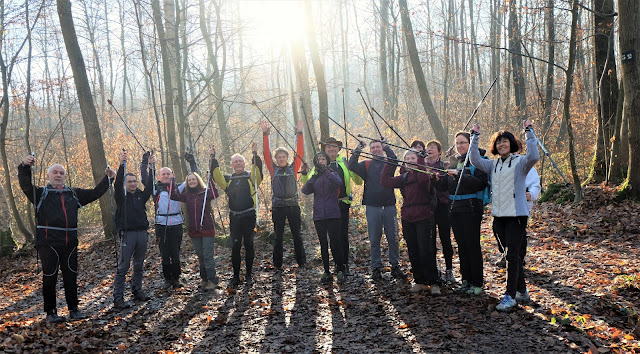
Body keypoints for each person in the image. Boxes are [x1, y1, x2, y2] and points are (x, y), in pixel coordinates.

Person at [18, 155, 115, 322]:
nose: (58, 175)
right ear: (48, 176)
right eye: (54, 172)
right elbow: (25, 185)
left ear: (65, 176)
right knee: (50, 277)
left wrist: (109, 179)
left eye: (61, 173)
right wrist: (24, 167)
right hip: (48, 244)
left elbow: (95, 193)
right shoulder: (40, 193)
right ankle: (51, 312)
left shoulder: (73, 194)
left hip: (69, 243)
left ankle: (74, 310)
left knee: (71, 277)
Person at [468, 120, 539, 311]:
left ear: (511, 143)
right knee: (510, 254)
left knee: (512, 256)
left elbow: (534, 155)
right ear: (495, 146)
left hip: (516, 215)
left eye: (505, 141)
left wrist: (529, 132)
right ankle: (522, 290)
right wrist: (474, 137)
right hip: (499, 216)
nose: (502, 144)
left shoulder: (521, 162)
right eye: (498, 142)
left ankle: (510, 295)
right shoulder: (493, 165)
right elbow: (474, 159)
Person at [380, 150, 441, 295]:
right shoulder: (404, 177)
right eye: (407, 158)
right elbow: (384, 181)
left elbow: (424, 181)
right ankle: (420, 281)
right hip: (408, 218)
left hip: (424, 217)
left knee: (426, 250)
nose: (410, 160)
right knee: (413, 250)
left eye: (413, 158)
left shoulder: (424, 174)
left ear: (419, 160)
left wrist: (420, 161)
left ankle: (434, 282)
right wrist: (390, 160)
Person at [304, 136, 363, 275]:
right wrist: (304, 174)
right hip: (326, 206)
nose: (331, 149)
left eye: (334, 147)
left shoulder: (344, 162)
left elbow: (358, 181)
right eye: (328, 147)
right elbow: (308, 185)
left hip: (343, 203)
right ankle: (334, 265)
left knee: (342, 235)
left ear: (338, 149)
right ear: (324, 150)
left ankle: (343, 264)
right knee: (330, 238)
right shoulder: (319, 165)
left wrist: (355, 169)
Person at [348, 139, 405, 281]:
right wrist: (359, 148)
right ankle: (376, 267)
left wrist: (387, 147)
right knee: (374, 238)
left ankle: (395, 265)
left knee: (392, 237)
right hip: (372, 206)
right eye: (372, 148)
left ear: (381, 148)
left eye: (378, 147)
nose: (375, 149)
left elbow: (395, 159)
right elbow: (351, 165)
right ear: (370, 150)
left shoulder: (388, 163)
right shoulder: (366, 164)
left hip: (389, 206)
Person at [211, 143, 263, 287]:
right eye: (236, 161)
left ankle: (248, 275)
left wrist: (255, 156)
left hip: (249, 216)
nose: (238, 163)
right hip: (235, 218)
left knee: (249, 245)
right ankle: (235, 276)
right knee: (235, 246)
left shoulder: (250, 177)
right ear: (232, 164)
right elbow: (216, 175)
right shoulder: (228, 180)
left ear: (244, 163)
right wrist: (212, 158)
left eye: (241, 161)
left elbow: (258, 173)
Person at [261, 120, 306, 272]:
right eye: (278, 157)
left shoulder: (294, 168)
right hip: (278, 207)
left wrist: (299, 133)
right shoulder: (273, 170)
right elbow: (266, 154)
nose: (281, 159)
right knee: (278, 236)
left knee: (297, 235)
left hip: (293, 205)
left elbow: (300, 152)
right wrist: (266, 134)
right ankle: (277, 264)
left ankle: (301, 262)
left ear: (287, 158)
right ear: (276, 159)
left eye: (283, 156)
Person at [447, 132, 489, 296]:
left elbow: (481, 183)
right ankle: (465, 280)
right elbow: (449, 187)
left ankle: (477, 283)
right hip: (455, 208)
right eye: (457, 143)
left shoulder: (479, 160)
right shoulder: (454, 161)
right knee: (462, 246)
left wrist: (460, 176)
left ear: (471, 143)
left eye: (463, 142)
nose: (459, 146)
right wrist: (439, 179)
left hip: (471, 208)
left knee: (472, 245)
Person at [169, 157, 220, 291]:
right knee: (201, 256)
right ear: (187, 182)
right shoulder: (186, 195)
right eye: (190, 180)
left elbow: (215, 194)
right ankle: (204, 279)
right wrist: (172, 181)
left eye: (194, 179)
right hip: (194, 230)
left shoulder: (205, 192)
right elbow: (173, 195)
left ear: (198, 180)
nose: (192, 181)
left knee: (208, 256)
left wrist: (211, 180)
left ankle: (213, 280)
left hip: (207, 229)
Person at [113, 150, 153, 310]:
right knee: (123, 267)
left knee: (139, 265)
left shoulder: (140, 195)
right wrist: (122, 164)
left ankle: (137, 291)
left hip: (142, 234)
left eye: (135, 181)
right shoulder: (121, 197)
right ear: (125, 183)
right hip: (127, 235)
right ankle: (118, 298)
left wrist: (151, 166)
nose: (133, 184)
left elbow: (149, 187)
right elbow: (116, 184)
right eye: (130, 182)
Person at [494, 140, 541, 268]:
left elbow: (535, 184)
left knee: (519, 234)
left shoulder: (525, 164)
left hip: (520, 205)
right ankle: (506, 254)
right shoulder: (500, 164)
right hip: (503, 206)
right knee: (499, 230)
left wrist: (530, 194)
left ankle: (519, 258)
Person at [142, 155, 185, 289]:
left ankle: (176, 277)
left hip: (177, 224)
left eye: (168, 173)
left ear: (172, 175)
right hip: (161, 225)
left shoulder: (179, 187)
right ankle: (168, 278)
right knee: (165, 253)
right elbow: (145, 178)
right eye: (163, 174)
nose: (166, 176)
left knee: (176, 252)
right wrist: (147, 164)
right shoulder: (155, 188)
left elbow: (194, 179)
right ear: (159, 176)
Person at [301, 152, 345, 284]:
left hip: (333, 214)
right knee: (323, 244)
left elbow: (339, 183)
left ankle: (340, 269)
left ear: (327, 161)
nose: (321, 161)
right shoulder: (315, 176)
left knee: (335, 242)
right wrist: (313, 176)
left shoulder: (332, 173)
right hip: (319, 215)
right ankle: (326, 271)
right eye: (319, 159)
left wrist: (325, 171)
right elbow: (305, 190)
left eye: (323, 159)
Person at [417, 140, 455, 283]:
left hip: (443, 205)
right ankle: (433, 271)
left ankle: (449, 269)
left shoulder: (445, 166)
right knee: (429, 240)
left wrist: (437, 180)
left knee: (445, 238)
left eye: (433, 147)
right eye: (428, 148)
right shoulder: (421, 165)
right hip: (427, 207)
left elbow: (449, 183)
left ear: (440, 151)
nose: (430, 149)